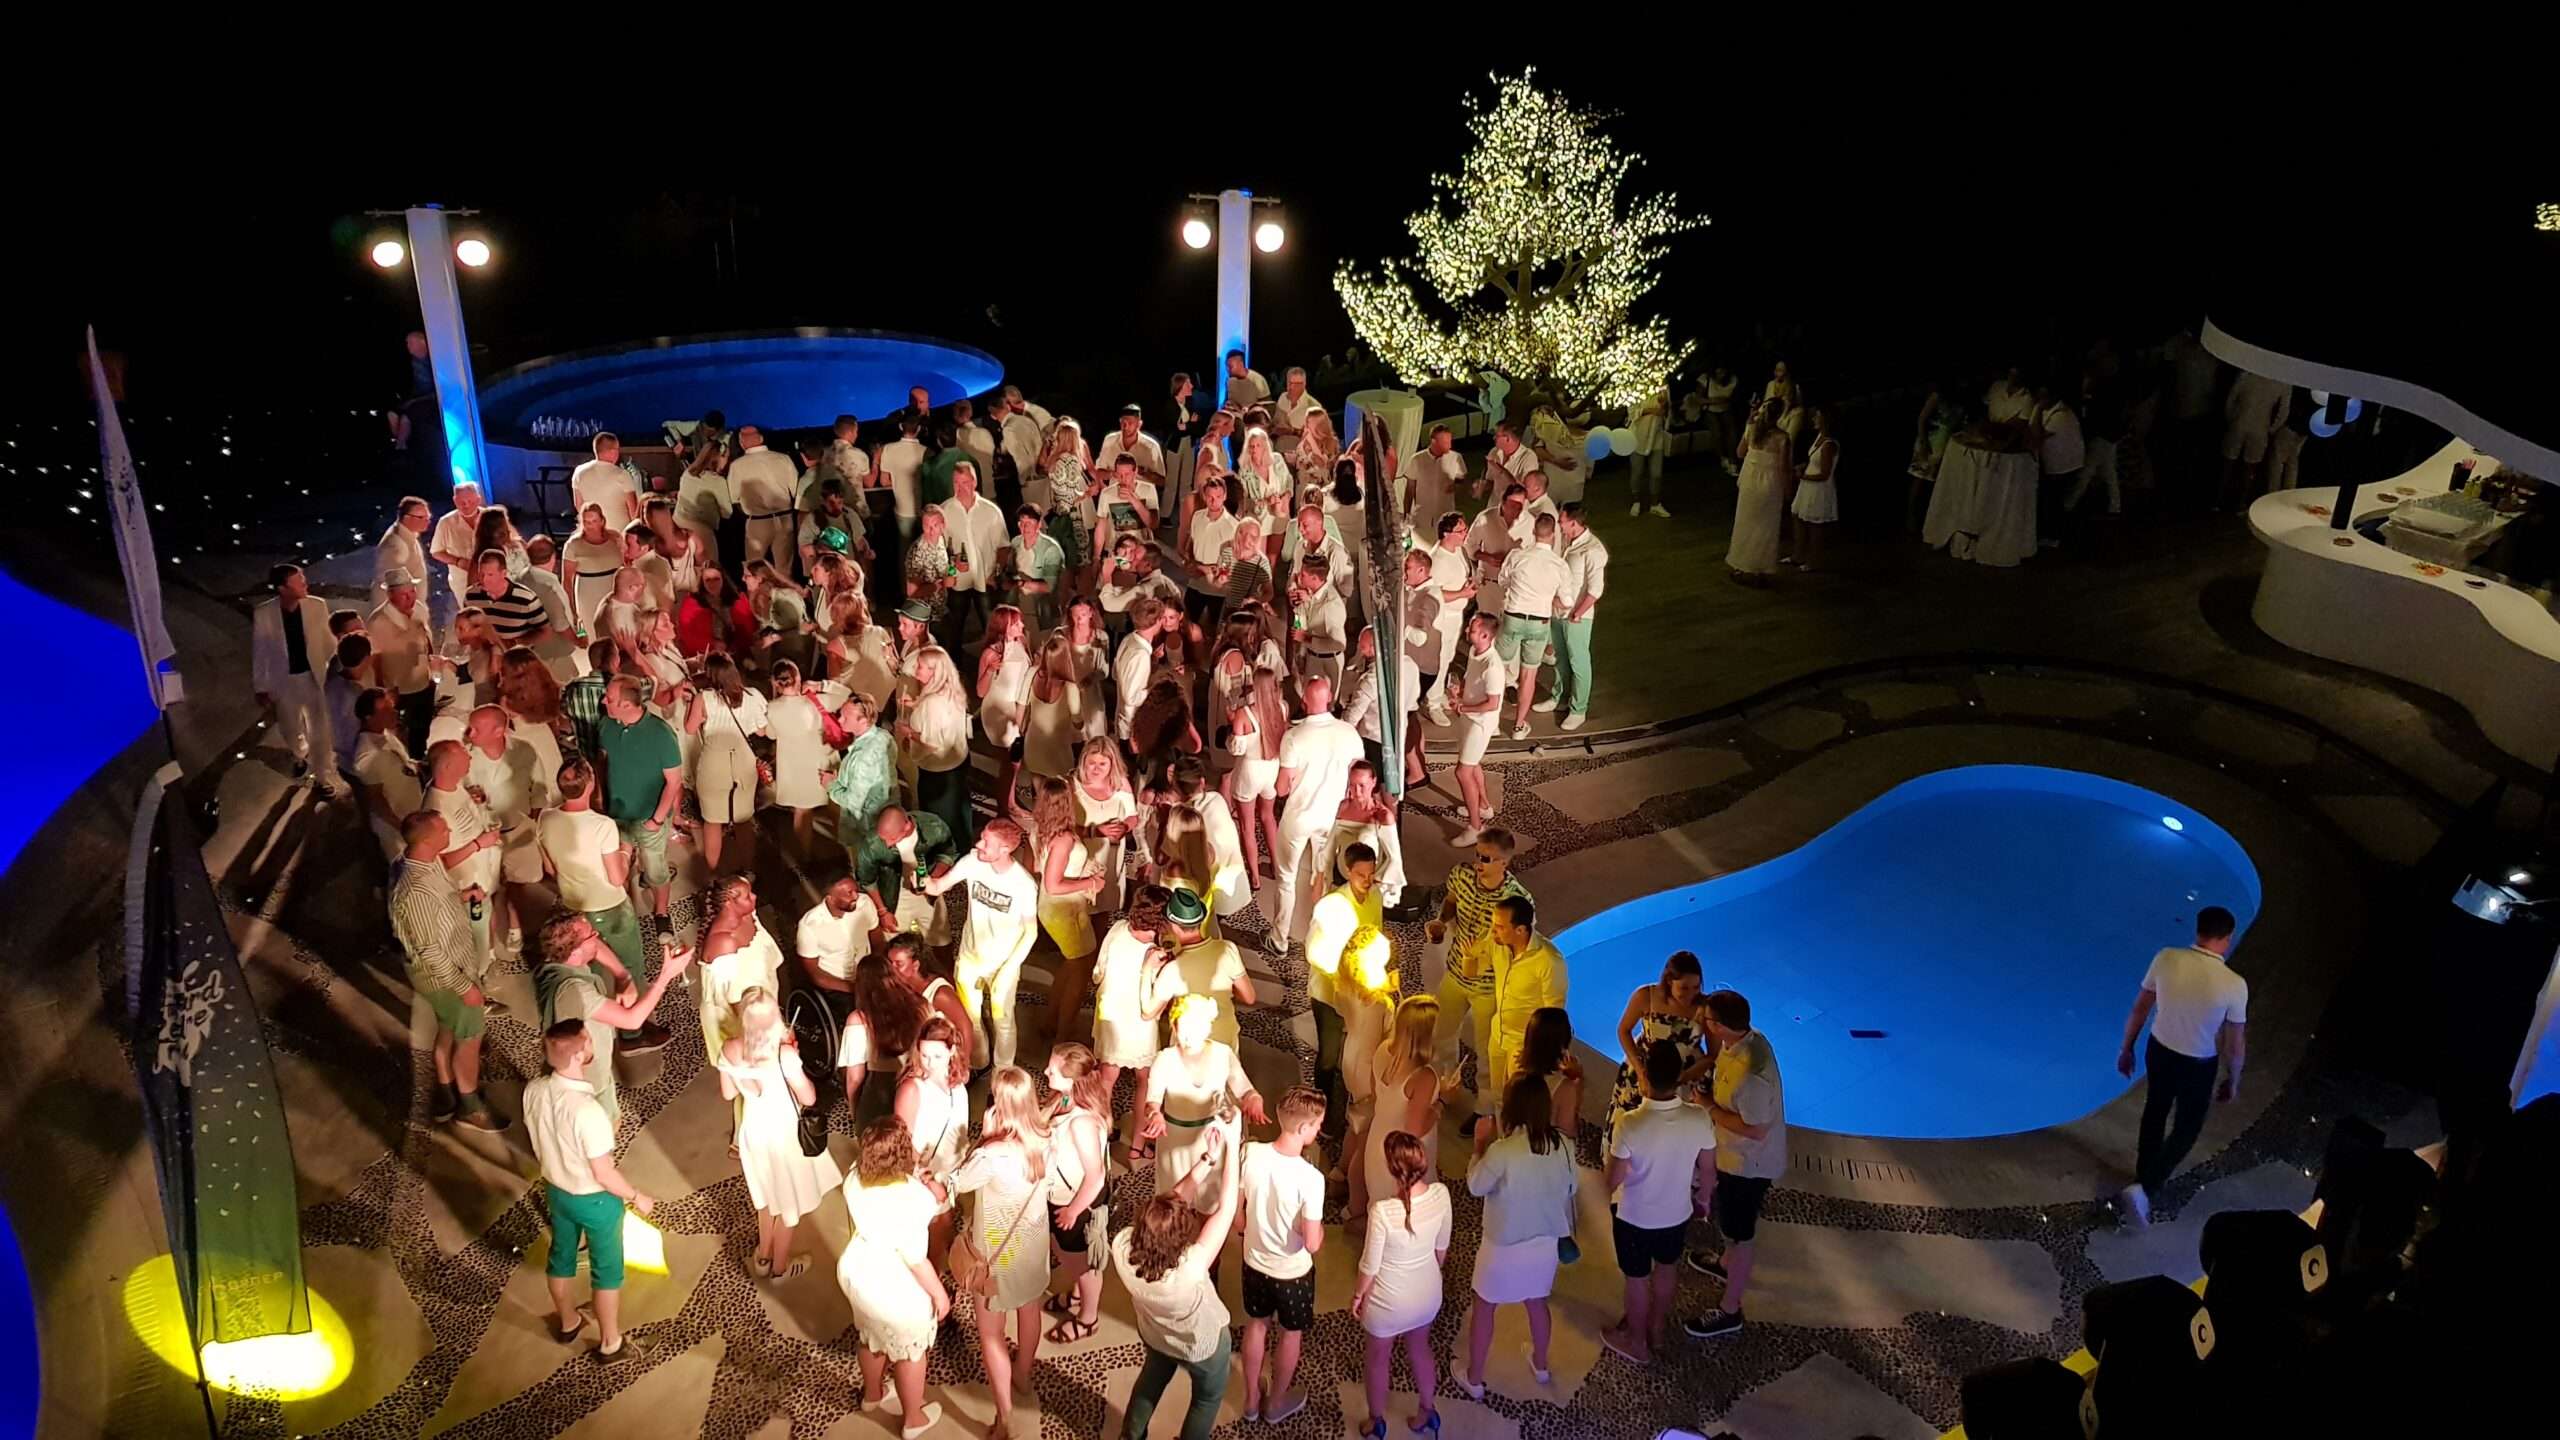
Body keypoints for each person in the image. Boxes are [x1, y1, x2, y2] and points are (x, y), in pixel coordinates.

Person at [1111, 1104, 1245, 1440]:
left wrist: (1207, 1160)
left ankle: (1131, 1435)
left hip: (1156, 1334)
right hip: (1203, 1345)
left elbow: (1170, 1202)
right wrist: (1232, 1145)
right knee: (1206, 1399)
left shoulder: (1123, 1246)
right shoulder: (1190, 1269)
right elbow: (1227, 1208)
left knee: (1150, 1381)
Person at [525, 1018, 655, 1363]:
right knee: (606, 1272)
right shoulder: (589, 1112)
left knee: (561, 1256)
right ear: (579, 1054)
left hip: (557, 1191)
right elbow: (603, 1173)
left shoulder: (534, 1090)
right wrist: (636, 1196)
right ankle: (611, 1342)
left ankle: (568, 1321)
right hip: (595, 1200)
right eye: (588, 1040)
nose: (592, 1043)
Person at [2113, 906, 2247, 1226]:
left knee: (2155, 1110)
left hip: (2159, 1050)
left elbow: (2140, 1008)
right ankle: (2147, 1187)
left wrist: (2126, 1048)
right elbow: (2234, 1044)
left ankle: (2142, 1177)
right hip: (2197, 1064)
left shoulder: (2167, 958)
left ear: (2198, 930)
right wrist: (2233, 1079)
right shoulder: (2234, 984)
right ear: (2227, 938)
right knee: (2187, 1128)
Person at [1456, 1072, 1580, 1399]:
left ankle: (1474, 1377)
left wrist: (1478, 1147)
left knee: (1485, 1308)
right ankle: (1540, 1364)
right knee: (1537, 1302)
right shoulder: (1564, 1146)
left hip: (1502, 1246)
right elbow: (1572, 1188)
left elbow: (1475, 1186)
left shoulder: (1503, 1151)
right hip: (1545, 1243)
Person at [946, 1066, 1053, 1434]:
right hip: (1031, 1247)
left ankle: (1004, 1417)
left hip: (996, 1257)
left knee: (991, 1334)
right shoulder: (1047, 1139)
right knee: (1029, 1310)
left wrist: (984, 1137)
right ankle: (1022, 1374)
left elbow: (957, 1183)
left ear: (998, 1104)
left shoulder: (992, 1155)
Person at [390, 811, 508, 1131]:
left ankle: (447, 1091)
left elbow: (435, 909)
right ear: (428, 840)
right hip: (446, 978)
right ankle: (470, 1108)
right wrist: (464, 987)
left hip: (454, 969)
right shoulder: (415, 891)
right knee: (469, 1039)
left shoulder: (421, 861)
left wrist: (460, 898)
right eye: (444, 830)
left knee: (448, 1028)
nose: (449, 832)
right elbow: (428, 949)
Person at [718, 988, 845, 1280]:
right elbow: (809, 1097)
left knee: (766, 1198)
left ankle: (763, 1256)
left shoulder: (730, 1048)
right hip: (784, 1133)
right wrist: (794, 1057)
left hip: (753, 1130)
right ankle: (779, 1269)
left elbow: (728, 1093)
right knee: (789, 1204)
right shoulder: (783, 1054)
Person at [1682, 988, 1788, 1340]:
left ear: (1719, 1026)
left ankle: (1730, 1309)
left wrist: (1709, 1108)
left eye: (1707, 1020)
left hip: (1748, 1166)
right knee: (1729, 1224)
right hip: (1731, 1158)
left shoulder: (1752, 1075)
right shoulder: (1746, 1041)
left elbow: (1756, 1130)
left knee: (1741, 1235)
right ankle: (1726, 1264)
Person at [837, 1117, 951, 1440]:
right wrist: (940, 1295)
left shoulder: (854, 1178)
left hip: (861, 1271)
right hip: (896, 1284)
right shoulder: (914, 1198)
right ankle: (913, 1419)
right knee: (910, 1352)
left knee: (870, 1336)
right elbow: (915, 1260)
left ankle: (872, 1394)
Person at [1605, 1039, 1718, 1364]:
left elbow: (1613, 1179)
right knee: (1666, 1269)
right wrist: (1703, 1200)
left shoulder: (1630, 1123)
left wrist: (1605, 1187)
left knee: (1637, 1278)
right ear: (1678, 1075)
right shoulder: (1698, 1117)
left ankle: (1637, 1342)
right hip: (1676, 1214)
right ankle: (1656, 1328)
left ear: (1645, 1075)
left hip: (1634, 1217)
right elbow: (1708, 1170)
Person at [532, 910, 690, 1126]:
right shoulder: (576, 991)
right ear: (575, 954)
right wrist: (666, 976)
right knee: (604, 1126)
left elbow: (595, 947)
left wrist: (623, 976)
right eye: (591, 935)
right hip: (588, 1080)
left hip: (580, 1064)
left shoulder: (553, 963)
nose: (597, 936)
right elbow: (632, 1020)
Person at [1235, 1085, 1327, 1425]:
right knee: (1290, 1333)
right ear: (1303, 1128)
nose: (1319, 1131)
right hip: (1293, 1273)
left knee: (1256, 1324)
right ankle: (1275, 1405)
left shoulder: (1250, 1154)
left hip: (1253, 1262)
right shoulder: (1311, 1178)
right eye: (1317, 1125)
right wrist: (1320, 1231)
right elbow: (1312, 1243)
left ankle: (1250, 1400)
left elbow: (1238, 1218)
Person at [1353, 1130, 1451, 1439]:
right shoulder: (1442, 1194)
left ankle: (1376, 1421)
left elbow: (1369, 1266)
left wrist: (1358, 1296)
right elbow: (1441, 1251)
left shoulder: (1382, 1212)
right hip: (1427, 1295)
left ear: (1391, 1168)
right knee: (1420, 1349)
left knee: (1378, 1360)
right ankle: (1428, 1410)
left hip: (1388, 1304)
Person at [923, 819, 1042, 1071]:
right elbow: (937, 887)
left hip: (1003, 963)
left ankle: (1003, 1071)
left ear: (1005, 849)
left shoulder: (1023, 884)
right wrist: (922, 877)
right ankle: (979, 1062)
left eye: (986, 842)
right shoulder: (973, 862)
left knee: (1003, 1019)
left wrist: (1008, 969)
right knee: (970, 1015)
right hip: (970, 957)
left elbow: (1031, 932)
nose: (978, 844)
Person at [1268, 671, 1368, 949]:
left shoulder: (1294, 737)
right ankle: (1317, 938)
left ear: (1303, 701)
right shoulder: (1349, 733)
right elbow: (1357, 775)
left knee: (1286, 878)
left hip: (1298, 817)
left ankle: (1279, 938)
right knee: (1321, 877)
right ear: (1330, 698)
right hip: (1331, 817)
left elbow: (1281, 789)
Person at [1142, 995, 1269, 1202]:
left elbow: (1244, 1089)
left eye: (1195, 1026)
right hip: (1175, 1143)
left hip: (1212, 1138)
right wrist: (1155, 1114)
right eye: (1183, 1027)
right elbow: (1152, 1101)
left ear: (1208, 1027)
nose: (1188, 1034)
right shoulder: (1165, 1059)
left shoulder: (1223, 1054)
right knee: (1174, 1203)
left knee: (1211, 1202)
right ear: (1174, 1026)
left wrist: (1253, 1098)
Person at [1092, 887, 1182, 1163]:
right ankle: (1138, 1145)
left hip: (1110, 1015)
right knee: (1145, 1080)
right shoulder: (1157, 954)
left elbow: (1097, 973)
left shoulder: (1117, 929)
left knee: (1106, 1078)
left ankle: (1104, 1133)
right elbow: (1158, 997)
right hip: (1139, 1024)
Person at [1305, 840, 1386, 1124]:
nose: (1368, 881)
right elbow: (1314, 952)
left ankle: (1352, 1094)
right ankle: (1323, 1108)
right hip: (1329, 993)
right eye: (1361, 874)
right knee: (1328, 1054)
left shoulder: (1375, 897)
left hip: (1360, 992)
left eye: (1371, 874)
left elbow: (1376, 933)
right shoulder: (1332, 907)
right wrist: (1345, 975)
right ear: (1348, 871)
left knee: (1356, 1047)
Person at [1040, 1042, 1113, 1345]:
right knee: (1067, 1253)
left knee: (1083, 1264)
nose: (1046, 1072)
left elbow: (1095, 1177)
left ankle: (1088, 1317)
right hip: (1061, 1196)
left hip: (1075, 1204)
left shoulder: (1081, 1123)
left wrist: (1072, 1211)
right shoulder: (1064, 1099)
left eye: (1053, 1070)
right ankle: (1077, 1294)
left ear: (1072, 1080)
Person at [252, 563, 344, 789]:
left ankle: (321, 776)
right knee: (291, 728)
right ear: (282, 588)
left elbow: (327, 641)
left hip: (314, 676)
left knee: (320, 728)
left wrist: (339, 667)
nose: (305, 584)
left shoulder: (316, 606)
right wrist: (260, 687)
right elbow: (260, 652)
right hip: (284, 681)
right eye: (298, 581)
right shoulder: (264, 613)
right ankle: (299, 753)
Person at [893, 1015, 972, 1268]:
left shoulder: (958, 1083)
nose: (929, 1063)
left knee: (942, 1228)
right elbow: (902, 1143)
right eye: (924, 1055)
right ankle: (929, 1279)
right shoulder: (913, 1089)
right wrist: (928, 1181)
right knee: (932, 1231)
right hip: (922, 1175)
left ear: (952, 1051)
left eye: (937, 1056)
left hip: (949, 1171)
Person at [684, 653, 769, 876]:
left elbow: (690, 729)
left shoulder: (703, 698)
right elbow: (762, 731)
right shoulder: (753, 695)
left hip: (714, 762)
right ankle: (748, 871)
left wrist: (692, 702)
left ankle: (713, 873)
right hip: (743, 760)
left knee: (712, 820)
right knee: (743, 820)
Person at [1495, 513, 1569, 740]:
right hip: (1539, 622)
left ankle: (1492, 721)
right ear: (1553, 535)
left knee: (1497, 668)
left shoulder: (1517, 555)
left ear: (1534, 532)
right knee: (1528, 675)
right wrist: (1550, 599)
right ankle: (1518, 727)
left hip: (1513, 617)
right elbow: (1566, 601)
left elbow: (1502, 581)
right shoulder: (1559, 564)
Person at [1487, 894, 1566, 1103]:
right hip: (1498, 1035)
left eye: (1499, 927)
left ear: (1520, 930)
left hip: (1523, 1045)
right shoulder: (1498, 944)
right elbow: (1474, 967)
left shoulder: (1549, 961)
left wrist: (1534, 1052)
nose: (1492, 931)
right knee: (1498, 1095)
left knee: (1518, 1101)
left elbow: (1554, 1013)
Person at [1612, 951, 1712, 1111]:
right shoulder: (1645, 996)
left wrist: (1682, 1078)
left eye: (1696, 987)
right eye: (1684, 988)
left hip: (1686, 1076)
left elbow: (1713, 1054)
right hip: (1645, 1069)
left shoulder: (1705, 1007)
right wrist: (1640, 1072)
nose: (1691, 994)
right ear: (1669, 981)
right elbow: (1624, 1030)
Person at [900, 644, 976, 848]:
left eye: (920, 666)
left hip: (938, 772)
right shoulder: (952, 690)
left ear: (934, 671)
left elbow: (932, 742)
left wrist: (909, 732)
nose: (915, 669)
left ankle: (947, 855)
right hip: (958, 762)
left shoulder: (932, 703)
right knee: (960, 813)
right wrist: (916, 704)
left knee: (939, 820)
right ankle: (963, 847)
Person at [1448, 614, 1507, 845]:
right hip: (1470, 718)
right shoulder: (1475, 652)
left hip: (1480, 723)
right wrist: (1460, 692)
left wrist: (1463, 707)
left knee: (1463, 772)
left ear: (1485, 635)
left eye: (1472, 630)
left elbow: (1492, 703)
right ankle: (1483, 805)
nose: (1466, 631)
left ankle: (1475, 827)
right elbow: (1470, 678)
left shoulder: (1493, 667)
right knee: (1472, 764)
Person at [369, 571, 440, 755]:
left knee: (421, 730)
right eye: (404, 594)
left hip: (423, 682)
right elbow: (375, 659)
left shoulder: (419, 609)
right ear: (390, 594)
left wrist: (431, 669)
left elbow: (426, 637)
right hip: (398, 690)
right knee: (400, 736)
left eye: (412, 592)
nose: (410, 598)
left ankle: (419, 758)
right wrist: (383, 690)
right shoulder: (379, 621)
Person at [938, 461, 1007, 650]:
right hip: (957, 581)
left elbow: (1003, 547)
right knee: (954, 630)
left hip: (986, 580)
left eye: (965, 483)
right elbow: (938, 550)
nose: (960, 488)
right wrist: (952, 564)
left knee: (992, 629)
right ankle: (954, 665)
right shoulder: (944, 511)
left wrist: (996, 573)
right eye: (956, 483)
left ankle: (995, 663)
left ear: (975, 482)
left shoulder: (991, 511)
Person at [351, 690, 423, 860]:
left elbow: (403, 763)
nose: (394, 712)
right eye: (385, 710)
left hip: (413, 813)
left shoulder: (385, 733)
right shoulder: (366, 755)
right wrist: (403, 828)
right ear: (368, 717)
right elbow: (376, 800)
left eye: (391, 707)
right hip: (397, 826)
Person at [1727, 398, 1791, 582]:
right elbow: (1783, 467)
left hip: (1750, 481)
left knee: (1745, 522)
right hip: (1770, 483)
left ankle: (1741, 565)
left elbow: (1740, 452)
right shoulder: (1782, 438)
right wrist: (1788, 490)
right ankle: (1759, 569)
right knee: (1766, 525)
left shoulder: (1752, 429)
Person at [729, 424, 801, 572]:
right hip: (785, 519)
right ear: (761, 439)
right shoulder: (783, 459)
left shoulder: (737, 466)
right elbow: (796, 491)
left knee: (753, 569)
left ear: (742, 443)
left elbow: (734, 498)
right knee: (784, 569)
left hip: (757, 522)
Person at [795, 874, 881, 996]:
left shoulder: (864, 903)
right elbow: (815, 973)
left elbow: (877, 937)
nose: (856, 896)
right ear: (830, 898)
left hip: (868, 977)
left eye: (856, 890)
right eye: (849, 893)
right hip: (837, 988)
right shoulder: (810, 925)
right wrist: (854, 989)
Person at [2220, 371, 2292, 511]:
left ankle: (2218, 499)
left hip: (2239, 422)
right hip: (2261, 427)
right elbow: (2284, 411)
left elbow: (2231, 398)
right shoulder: (2283, 382)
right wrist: (2272, 428)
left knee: (2227, 463)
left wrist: (2231, 417)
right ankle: (2241, 503)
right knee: (2250, 467)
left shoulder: (2247, 374)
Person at [1786, 406, 1841, 571]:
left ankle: (1814, 561)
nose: (1814, 419)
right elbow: (1814, 462)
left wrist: (1803, 476)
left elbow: (1824, 474)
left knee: (1815, 525)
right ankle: (1797, 555)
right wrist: (1804, 467)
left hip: (1819, 489)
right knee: (1798, 516)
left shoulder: (1829, 444)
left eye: (1817, 416)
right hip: (1808, 487)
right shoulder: (1819, 438)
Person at [2030, 385, 2080, 550]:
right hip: (2055, 463)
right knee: (2050, 499)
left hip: (2062, 466)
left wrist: (2037, 409)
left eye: (2043, 397)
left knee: (2053, 501)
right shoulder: (2049, 411)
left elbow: (2036, 434)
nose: (2040, 401)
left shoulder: (2061, 416)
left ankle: (2053, 536)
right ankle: (2051, 533)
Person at [430, 481, 488, 611]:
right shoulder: (446, 523)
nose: (466, 505)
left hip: (492, 579)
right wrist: (458, 562)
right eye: (461, 502)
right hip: (463, 582)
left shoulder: (490, 517)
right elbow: (436, 552)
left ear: (478, 500)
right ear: (454, 501)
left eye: (470, 501)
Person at [571, 432, 642, 527]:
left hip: (591, 532)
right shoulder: (622, 475)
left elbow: (579, 505)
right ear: (613, 451)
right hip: (619, 532)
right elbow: (634, 512)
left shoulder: (579, 472)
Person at [1400, 424, 1465, 525]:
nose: (1450, 446)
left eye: (1450, 441)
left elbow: (1461, 479)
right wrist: (1406, 514)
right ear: (1434, 441)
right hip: (1422, 517)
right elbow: (1409, 490)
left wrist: (1456, 485)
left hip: (1446, 516)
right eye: (1445, 442)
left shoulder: (1456, 458)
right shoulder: (1417, 459)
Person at [1625, 383, 1671, 518]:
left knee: (1656, 473)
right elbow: (1632, 413)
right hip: (1637, 436)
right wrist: (1650, 410)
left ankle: (1655, 504)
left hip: (1656, 436)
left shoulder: (1663, 387)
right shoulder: (1635, 387)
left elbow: (1667, 411)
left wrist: (1665, 405)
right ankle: (1636, 502)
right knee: (1637, 472)